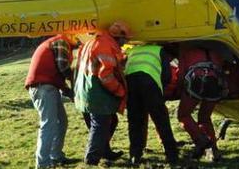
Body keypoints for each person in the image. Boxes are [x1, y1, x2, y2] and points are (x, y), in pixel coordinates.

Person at [74, 21, 130, 165]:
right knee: (100, 126)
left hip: (84, 92)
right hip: (96, 94)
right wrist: (120, 90)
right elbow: (105, 76)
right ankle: (91, 160)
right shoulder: (105, 45)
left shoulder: (91, 43)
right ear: (118, 37)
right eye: (125, 40)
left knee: (110, 122)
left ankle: (105, 152)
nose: (125, 44)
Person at [25, 34, 77, 168]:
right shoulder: (62, 41)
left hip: (46, 86)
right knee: (49, 124)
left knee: (61, 122)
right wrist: (75, 82)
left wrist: (67, 91)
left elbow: (57, 72)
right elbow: (63, 67)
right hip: (44, 87)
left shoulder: (56, 42)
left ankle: (56, 156)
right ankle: (43, 164)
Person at [124, 43, 178, 165]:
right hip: (150, 84)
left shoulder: (133, 50)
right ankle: (172, 156)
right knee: (161, 120)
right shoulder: (159, 50)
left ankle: (135, 156)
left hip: (130, 84)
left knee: (135, 121)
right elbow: (167, 76)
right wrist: (162, 90)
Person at [177, 44, 229, 161]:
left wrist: (180, 89)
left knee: (183, 115)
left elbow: (181, 73)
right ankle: (214, 150)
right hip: (216, 85)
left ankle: (201, 141)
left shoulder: (186, 51)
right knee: (205, 118)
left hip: (196, 83)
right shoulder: (216, 52)